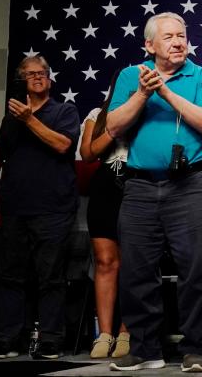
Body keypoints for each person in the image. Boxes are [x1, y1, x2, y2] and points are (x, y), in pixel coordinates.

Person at [105, 12, 202, 372]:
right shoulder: (131, 75)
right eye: (169, 37)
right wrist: (142, 93)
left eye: (182, 36)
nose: (178, 42)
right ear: (149, 45)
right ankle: (145, 348)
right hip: (141, 186)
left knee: (196, 270)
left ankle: (195, 349)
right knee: (137, 270)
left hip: (194, 185)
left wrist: (166, 92)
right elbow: (112, 127)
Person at [0, 55, 80, 360]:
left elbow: (62, 145)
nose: (38, 77)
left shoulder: (64, 111)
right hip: (16, 206)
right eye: (31, 74)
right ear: (22, 81)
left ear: (50, 78)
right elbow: (3, 155)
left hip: (53, 208)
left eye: (42, 72)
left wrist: (30, 119)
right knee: (10, 275)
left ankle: (50, 340)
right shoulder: (10, 118)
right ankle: (7, 338)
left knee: (51, 276)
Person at [79, 70, 130, 359]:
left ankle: (127, 331)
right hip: (105, 189)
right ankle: (105, 334)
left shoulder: (147, 111)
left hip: (137, 186)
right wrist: (113, 127)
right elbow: (87, 154)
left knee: (134, 262)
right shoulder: (98, 113)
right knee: (105, 261)